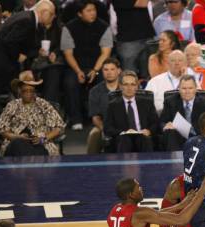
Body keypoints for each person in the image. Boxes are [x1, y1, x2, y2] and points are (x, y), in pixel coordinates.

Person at [0, 0, 55, 95]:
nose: (53, 17)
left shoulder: (27, 17)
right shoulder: (27, 20)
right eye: (52, 14)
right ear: (44, 12)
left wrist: (35, 51)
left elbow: (20, 41)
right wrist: (18, 55)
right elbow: (10, 41)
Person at [61, 0, 112, 130]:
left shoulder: (104, 27)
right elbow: (68, 54)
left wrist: (95, 70)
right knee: (70, 82)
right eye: (88, 11)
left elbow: (105, 53)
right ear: (79, 13)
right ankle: (76, 119)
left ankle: (103, 118)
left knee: (105, 80)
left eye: (94, 10)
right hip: (76, 65)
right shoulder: (68, 28)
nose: (93, 13)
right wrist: (78, 71)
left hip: (98, 65)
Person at [0, 71, 65, 156]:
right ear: (20, 91)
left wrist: (43, 139)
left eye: (31, 91)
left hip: (41, 144)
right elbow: (1, 130)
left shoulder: (43, 104)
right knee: (18, 145)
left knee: (33, 151)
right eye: (25, 91)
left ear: (35, 91)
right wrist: (18, 137)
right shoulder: (12, 105)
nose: (28, 94)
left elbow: (59, 127)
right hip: (15, 144)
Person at [104, 70, 160, 152]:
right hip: (123, 138)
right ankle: (124, 164)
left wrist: (149, 131)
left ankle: (147, 164)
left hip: (143, 137)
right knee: (125, 140)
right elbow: (107, 128)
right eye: (126, 84)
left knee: (144, 139)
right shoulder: (113, 105)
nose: (129, 88)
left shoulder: (147, 103)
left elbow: (155, 123)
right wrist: (123, 132)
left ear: (137, 86)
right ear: (120, 86)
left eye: (132, 84)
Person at [160, 74, 205, 151]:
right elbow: (162, 122)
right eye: (184, 88)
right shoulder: (170, 102)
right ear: (179, 89)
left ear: (196, 89)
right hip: (177, 138)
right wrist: (166, 125)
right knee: (171, 132)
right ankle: (176, 161)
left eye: (190, 88)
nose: (187, 91)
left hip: (198, 138)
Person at [87, 57, 121, 154]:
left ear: (118, 71)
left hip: (125, 126)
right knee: (94, 134)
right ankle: (91, 164)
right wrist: (105, 129)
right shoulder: (95, 91)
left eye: (112, 69)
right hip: (104, 126)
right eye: (106, 70)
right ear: (102, 72)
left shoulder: (126, 88)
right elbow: (95, 117)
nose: (109, 72)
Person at [146, 49, 187, 113]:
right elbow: (147, 104)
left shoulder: (192, 80)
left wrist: (185, 78)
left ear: (185, 63)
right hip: (163, 116)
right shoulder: (155, 81)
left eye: (180, 60)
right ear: (168, 63)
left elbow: (199, 99)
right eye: (173, 60)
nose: (177, 63)